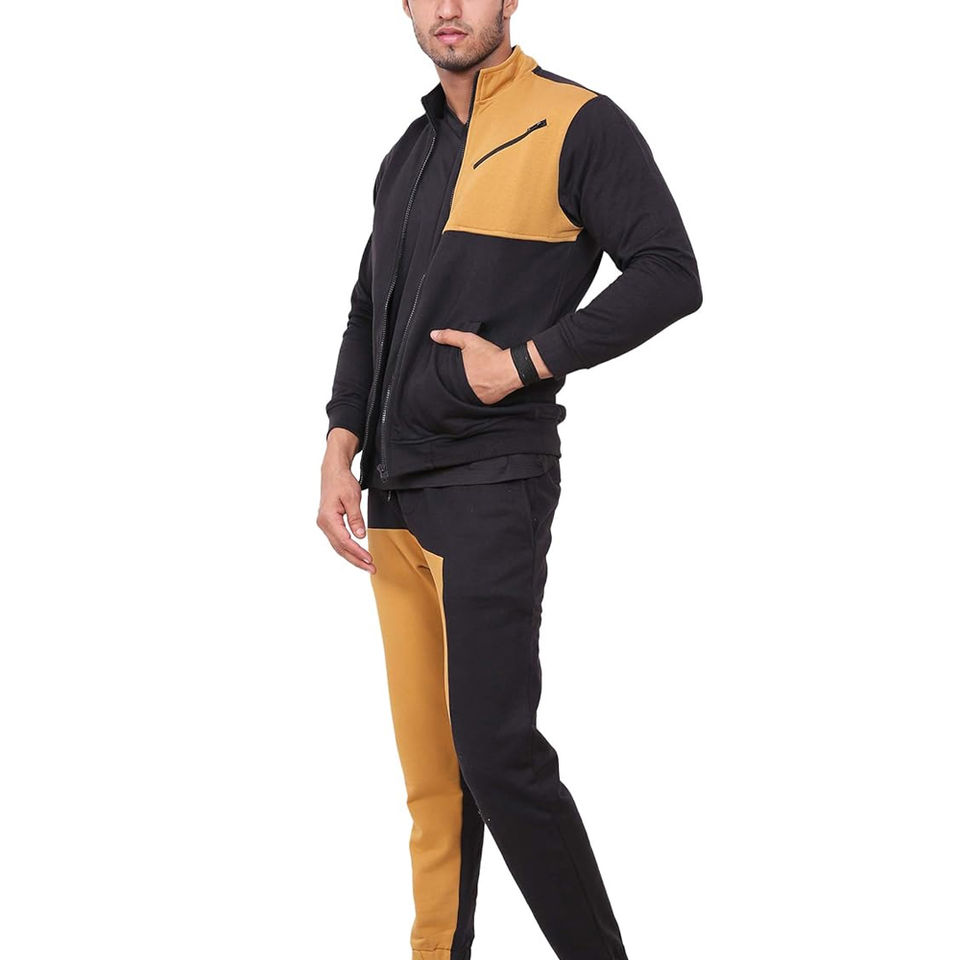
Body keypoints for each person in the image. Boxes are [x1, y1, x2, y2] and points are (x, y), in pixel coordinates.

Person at [317, 2, 702, 958]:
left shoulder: (576, 123)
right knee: (434, 779)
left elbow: (670, 272)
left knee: (498, 757)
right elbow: (369, 307)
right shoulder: (407, 155)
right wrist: (338, 441)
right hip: (392, 498)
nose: (448, 9)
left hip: (490, 484)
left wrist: (524, 362)